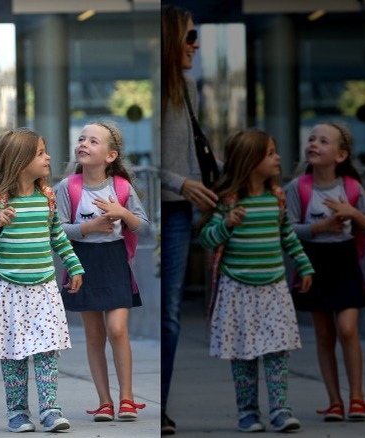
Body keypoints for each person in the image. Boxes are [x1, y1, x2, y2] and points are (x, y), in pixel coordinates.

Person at [0, 128, 84, 433]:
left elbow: (57, 235)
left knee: (46, 351)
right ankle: (17, 412)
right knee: (13, 354)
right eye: (41, 153)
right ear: (20, 162)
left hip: (43, 287)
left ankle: (50, 409)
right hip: (7, 290)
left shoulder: (47, 197)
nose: (48, 158)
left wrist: (74, 266)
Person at [199, 128, 314, 433]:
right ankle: (247, 413)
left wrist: (304, 266)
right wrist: (226, 223)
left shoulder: (276, 198)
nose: (278, 158)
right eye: (271, 153)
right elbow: (206, 238)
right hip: (238, 290)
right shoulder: (229, 200)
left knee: (278, 352)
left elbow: (287, 236)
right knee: (243, 355)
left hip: (274, 287)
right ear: (250, 161)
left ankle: (281, 409)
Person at [54, 122, 151, 422]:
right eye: (82, 139)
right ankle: (105, 402)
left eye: (93, 141)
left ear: (110, 155)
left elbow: (146, 228)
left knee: (117, 329)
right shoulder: (67, 187)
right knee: (94, 336)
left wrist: (123, 214)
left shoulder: (121, 187)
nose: (84, 144)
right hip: (81, 264)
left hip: (115, 261)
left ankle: (127, 398)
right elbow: (55, 230)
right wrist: (89, 227)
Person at [285, 122, 365, 422]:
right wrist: (319, 227)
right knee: (325, 335)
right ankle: (335, 401)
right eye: (311, 138)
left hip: (345, 262)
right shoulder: (298, 187)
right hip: (313, 264)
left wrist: (353, 214)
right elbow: (286, 229)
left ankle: (357, 398)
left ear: (340, 155)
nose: (314, 144)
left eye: (323, 141)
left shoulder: (351, 187)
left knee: (348, 330)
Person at [160, 5, 219, 434]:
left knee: (171, 313)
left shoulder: (188, 87)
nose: (196, 45)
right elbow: (140, 162)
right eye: (190, 36)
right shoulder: (154, 86)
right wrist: (180, 182)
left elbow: (190, 154)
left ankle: (159, 405)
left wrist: (200, 193)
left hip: (180, 211)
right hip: (147, 207)